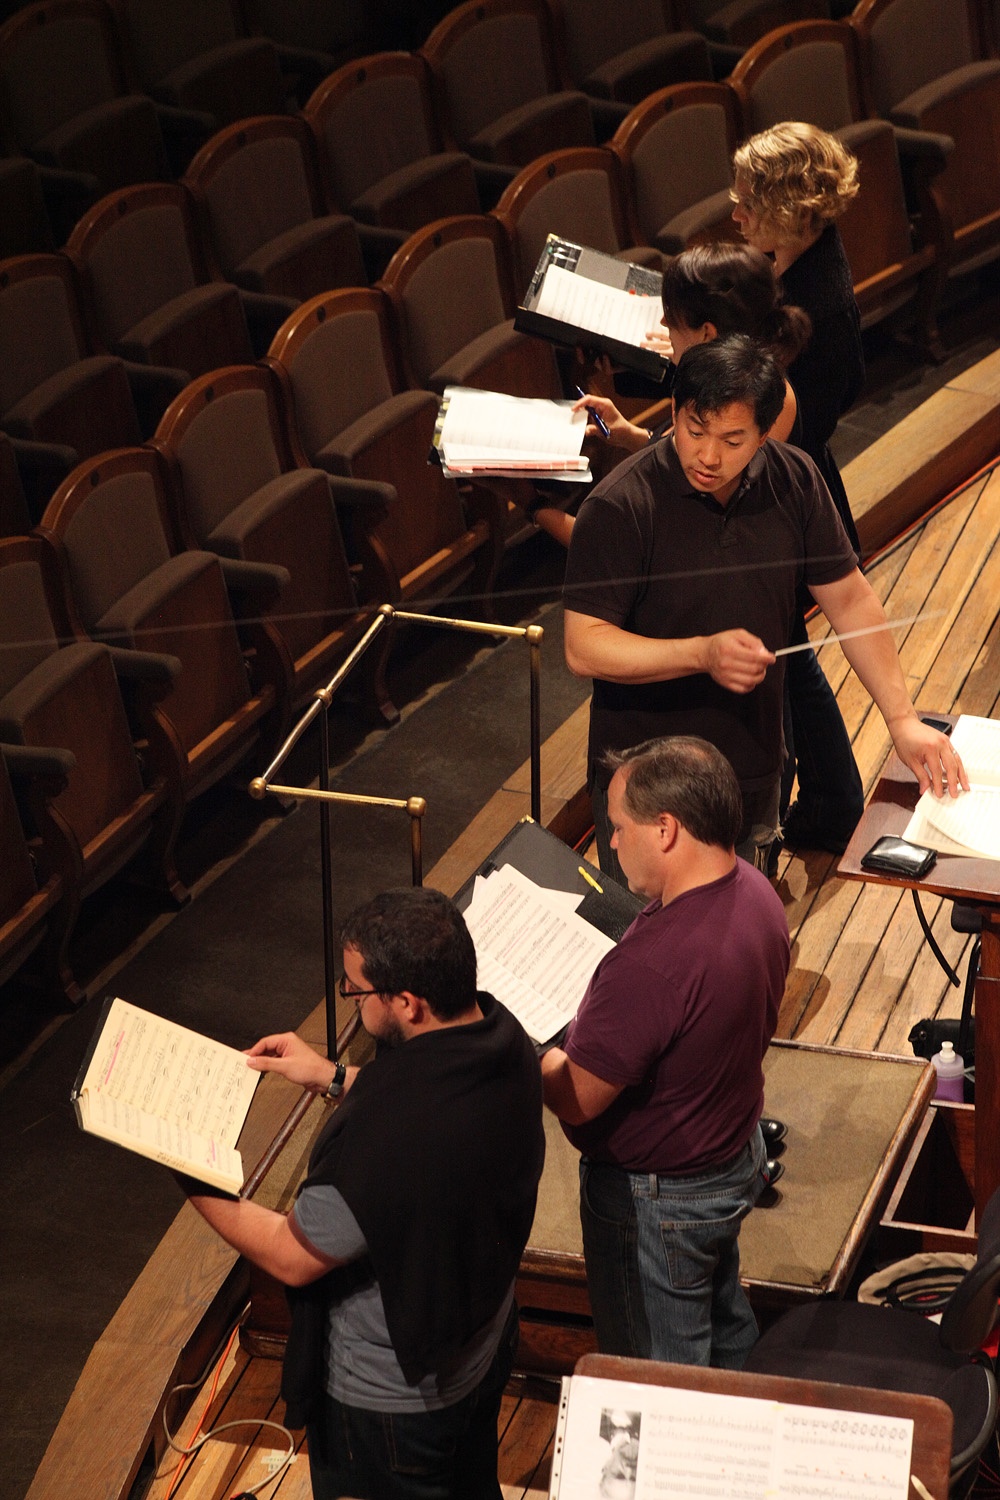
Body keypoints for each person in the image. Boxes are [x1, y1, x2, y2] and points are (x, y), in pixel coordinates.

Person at [178, 886, 545, 1500]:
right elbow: (430, 1092)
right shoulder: (506, 1037)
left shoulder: (385, 1142)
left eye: (356, 990)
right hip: (481, 1342)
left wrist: (181, 1165)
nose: (350, 1001)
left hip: (394, 1407)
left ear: (407, 1001)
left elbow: (290, 1254)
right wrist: (332, 1076)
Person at [562, 334, 966, 874]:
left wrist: (901, 719)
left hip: (750, 767)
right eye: (694, 430)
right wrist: (702, 654)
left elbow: (849, 600)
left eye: (732, 440)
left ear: (764, 433)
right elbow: (584, 646)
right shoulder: (619, 506)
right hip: (644, 783)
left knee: (739, 931)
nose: (707, 456)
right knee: (641, 942)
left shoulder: (794, 477)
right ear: (675, 413)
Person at [541, 735, 790, 1367]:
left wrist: (512, 1041)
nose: (612, 842)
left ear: (667, 829)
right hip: (728, 1157)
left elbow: (579, 1098)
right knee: (727, 1336)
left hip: (661, 1201)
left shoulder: (654, 965)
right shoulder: (757, 891)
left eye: (620, 828)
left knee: (657, 1380)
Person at [731, 121, 867, 852]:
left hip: (785, 499)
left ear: (791, 201)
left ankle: (824, 801)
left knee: (783, 656)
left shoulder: (824, 301)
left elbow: (793, 420)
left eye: (749, 195)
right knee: (786, 652)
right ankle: (833, 799)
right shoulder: (793, 262)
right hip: (787, 486)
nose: (735, 209)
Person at [528, 241, 810, 545]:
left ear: (706, 334)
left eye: (672, 319)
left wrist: (534, 506)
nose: (663, 324)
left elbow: (620, 550)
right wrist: (629, 436)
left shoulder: (756, 402)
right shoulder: (718, 384)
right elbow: (677, 463)